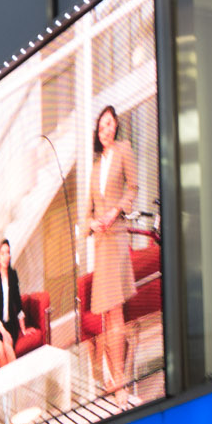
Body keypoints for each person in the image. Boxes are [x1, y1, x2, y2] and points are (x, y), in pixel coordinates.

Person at [89, 103, 139, 397]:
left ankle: (119, 383)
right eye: (101, 126)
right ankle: (116, 378)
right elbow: (86, 213)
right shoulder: (95, 167)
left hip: (117, 239)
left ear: (116, 126)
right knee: (107, 316)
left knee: (116, 312)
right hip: (100, 244)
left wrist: (116, 210)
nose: (105, 130)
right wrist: (92, 222)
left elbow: (133, 187)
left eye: (109, 124)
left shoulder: (124, 150)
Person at [0, 236, 32, 371]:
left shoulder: (13, 277)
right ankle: (7, 389)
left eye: (8, 253)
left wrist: (23, 329)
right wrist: (3, 332)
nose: (6, 256)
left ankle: (16, 385)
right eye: (3, 253)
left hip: (11, 326)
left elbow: (18, 305)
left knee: (7, 345)